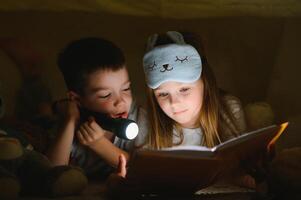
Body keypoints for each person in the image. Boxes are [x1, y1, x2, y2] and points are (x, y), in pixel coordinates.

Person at [140, 31, 256, 188]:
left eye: (184, 89)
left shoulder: (229, 110)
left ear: (205, 82)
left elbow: (239, 164)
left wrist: (239, 176)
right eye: (163, 94)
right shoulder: (150, 123)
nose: (174, 103)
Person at [46, 37, 147, 179]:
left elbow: (142, 168)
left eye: (126, 88)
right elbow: (52, 175)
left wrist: (99, 144)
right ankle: (31, 75)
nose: (120, 102)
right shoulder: (70, 123)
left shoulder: (139, 118)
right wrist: (70, 120)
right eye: (106, 95)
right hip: (60, 113)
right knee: (41, 112)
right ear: (77, 99)